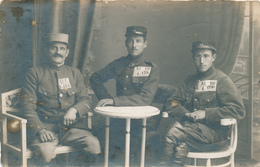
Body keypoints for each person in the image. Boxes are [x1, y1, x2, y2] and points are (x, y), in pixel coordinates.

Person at [157, 41, 246, 166]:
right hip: (190, 132)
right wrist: (187, 114)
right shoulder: (190, 81)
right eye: (198, 56)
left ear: (213, 58)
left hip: (214, 136)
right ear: (194, 58)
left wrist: (206, 113)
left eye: (206, 56)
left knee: (172, 132)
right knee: (179, 146)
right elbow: (171, 102)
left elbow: (238, 110)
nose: (202, 61)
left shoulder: (222, 80)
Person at [20, 33, 101, 164]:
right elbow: (27, 106)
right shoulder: (34, 73)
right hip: (45, 129)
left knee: (93, 143)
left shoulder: (75, 73)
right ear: (47, 50)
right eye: (54, 48)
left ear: (67, 52)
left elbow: (85, 100)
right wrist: (40, 129)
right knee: (45, 151)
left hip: (71, 129)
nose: (58, 52)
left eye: (62, 48)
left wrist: (74, 110)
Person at [90, 26, 159, 163]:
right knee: (100, 137)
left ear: (145, 44)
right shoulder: (118, 64)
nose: (134, 45)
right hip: (118, 120)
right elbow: (95, 78)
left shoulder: (151, 68)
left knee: (132, 150)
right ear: (125, 43)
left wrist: (114, 101)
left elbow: (145, 98)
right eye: (130, 41)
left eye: (138, 41)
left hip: (140, 122)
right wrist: (106, 99)